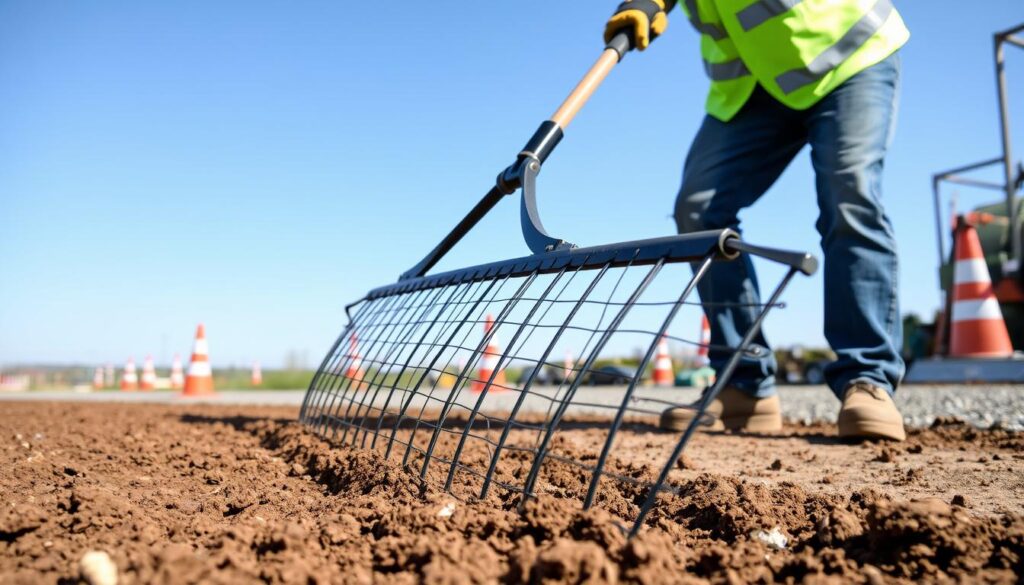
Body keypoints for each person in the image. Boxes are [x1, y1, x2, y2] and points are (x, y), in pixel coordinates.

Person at [604, 0, 908, 441]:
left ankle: (869, 379)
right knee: (699, 211)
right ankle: (743, 383)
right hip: (753, 87)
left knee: (849, 193)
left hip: (846, 53)